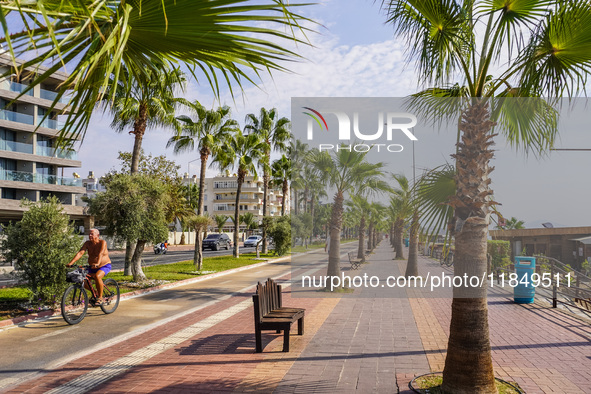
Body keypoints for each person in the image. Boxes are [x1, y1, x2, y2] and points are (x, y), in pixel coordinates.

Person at [68, 228, 112, 304]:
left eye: (92, 234)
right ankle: (95, 293)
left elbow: (100, 253)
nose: (90, 235)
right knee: (83, 280)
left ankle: (100, 298)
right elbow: (80, 253)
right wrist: (71, 263)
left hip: (104, 266)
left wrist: (98, 263)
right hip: (92, 267)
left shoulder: (102, 242)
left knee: (97, 276)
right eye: (89, 234)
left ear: (97, 235)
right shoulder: (87, 243)